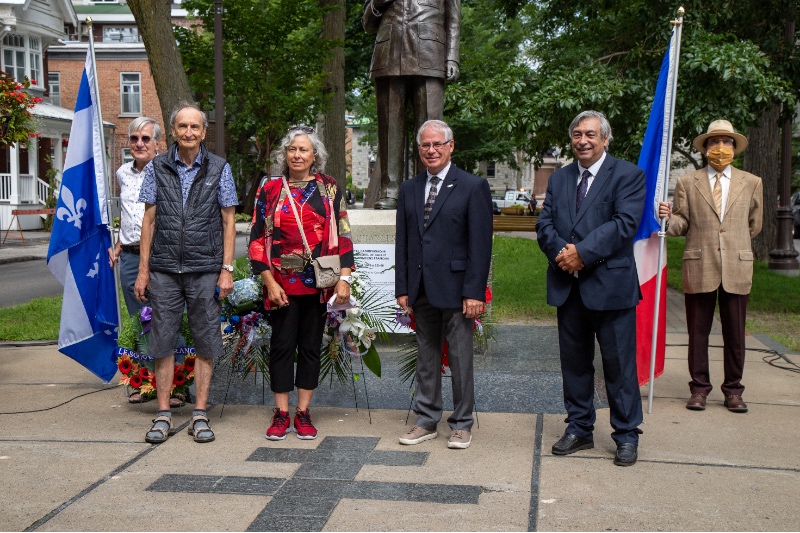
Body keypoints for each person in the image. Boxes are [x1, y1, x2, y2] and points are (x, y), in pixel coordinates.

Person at [536, 110, 645, 466]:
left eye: (591, 134)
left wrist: (582, 253)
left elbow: (623, 224)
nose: (583, 140)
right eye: (577, 134)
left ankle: (627, 435)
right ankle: (579, 428)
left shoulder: (628, 175)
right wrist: (562, 256)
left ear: (605, 139)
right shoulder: (559, 178)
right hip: (568, 286)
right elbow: (545, 225)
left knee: (618, 365)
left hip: (610, 286)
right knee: (575, 364)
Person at [133, 103, 238, 444]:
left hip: (205, 269)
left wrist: (226, 270)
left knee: (206, 342)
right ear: (174, 131)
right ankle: (163, 413)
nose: (189, 132)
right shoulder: (157, 167)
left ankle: (200, 414)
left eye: (195, 127)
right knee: (162, 342)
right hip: (164, 269)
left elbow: (228, 222)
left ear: (203, 132)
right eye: (183, 126)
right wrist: (143, 271)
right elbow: (148, 220)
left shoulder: (219, 167)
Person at [249, 126, 355, 441]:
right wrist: (268, 281)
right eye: (293, 149)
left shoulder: (329, 188)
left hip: (320, 282)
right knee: (281, 346)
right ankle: (281, 413)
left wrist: (344, 278)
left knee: (310, 347)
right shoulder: (269, 188)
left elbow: (344, 231)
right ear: (285, 154)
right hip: (281, 283)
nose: (297, 155)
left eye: (304, 150)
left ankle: (303, 412)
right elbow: (256, 237)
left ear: (314, 156)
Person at [395, 119, 492, 450]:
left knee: (462, 357)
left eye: (438, 144)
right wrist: (403, 288)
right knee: (426, 356)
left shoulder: (472, 186)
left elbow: (481, 244)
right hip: (421, 287)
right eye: (425, 145)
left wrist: (474, 292)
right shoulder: (409, 189)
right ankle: (426, 419)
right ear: (419, 149)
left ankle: (462, 423)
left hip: (457, 288)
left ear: (451, 146)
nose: (431, 150)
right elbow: (404, 242)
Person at [658, 119, 763, 413]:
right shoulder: (686, 183)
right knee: (698, 333)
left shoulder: (752, 182)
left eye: (726, 142)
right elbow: (681, 223)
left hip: (737, 266)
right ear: (705, 149)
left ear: (735, 147)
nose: (720, 148)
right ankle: (699, 389)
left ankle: (733, 390)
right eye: (714, 142)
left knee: (735, 333)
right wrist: (666, 217)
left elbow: (754, 225)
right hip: (699, 264)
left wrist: (732, 245)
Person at [107, 117, 188, 407]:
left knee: (168, 320)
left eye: (145, 138)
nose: (139, 144)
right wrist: (118, 242)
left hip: (161, 257)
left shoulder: (169, 172)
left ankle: (179, 384)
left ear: (158, 144)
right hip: (129, 256)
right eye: (134, 139)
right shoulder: (122, 173)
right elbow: (129, 213)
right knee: (138, 320)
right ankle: (144, 381)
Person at [363, 0, 460, 209]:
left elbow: (453, 18)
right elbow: (368, 25)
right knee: (389, 129)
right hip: (389, 53)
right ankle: (390, 192)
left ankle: (427, 188)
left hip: (430, 53)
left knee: (431, 130)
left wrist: (452, 57)